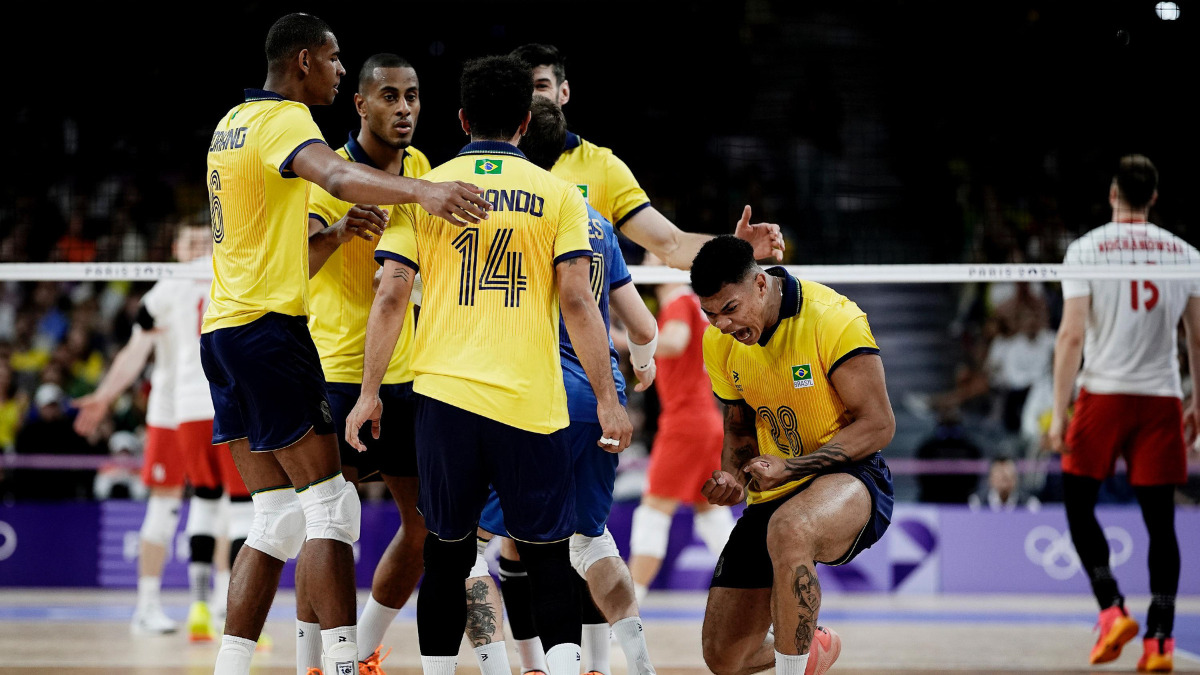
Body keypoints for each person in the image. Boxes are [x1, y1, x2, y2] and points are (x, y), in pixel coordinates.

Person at [200, 13, 490, 675]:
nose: (336, 69)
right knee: (332, 507)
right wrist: (427, 194)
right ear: (305, 61)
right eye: (333, 60)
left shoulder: (229, 123)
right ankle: (338, 663)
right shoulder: (284, 121)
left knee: (277, 518)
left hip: (221, 333)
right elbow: (332, 174)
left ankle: (231, 665)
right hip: (275, 334)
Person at [345, 54, 630, 675]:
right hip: (532, 404)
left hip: (445, 403)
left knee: (445, 555)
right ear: (527, 122)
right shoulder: (560, 197)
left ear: (462, 117)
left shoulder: (427, 189)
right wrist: (609, 399)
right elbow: (580, 302)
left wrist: (369, 392)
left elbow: (391, 294)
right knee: (549, 556)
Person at [469, 97, 660, 675]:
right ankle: (632, 667)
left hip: (532, 398)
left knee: (470, 551)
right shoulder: (596, 220)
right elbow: (642, 326)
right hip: (600, 399)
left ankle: (510, 668)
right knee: (591, 541)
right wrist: (643, 365)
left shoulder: (521, 215)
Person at [691, 235, 895, 675]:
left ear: (761, 285)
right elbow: (740, 426)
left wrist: (794, 467)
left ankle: (791, 669)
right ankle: (809, 647)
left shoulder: (834, 319)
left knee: (790, 528)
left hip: (851, 476)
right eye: (710, 313)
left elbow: (879, 425)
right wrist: (732, 477)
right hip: (774, 486)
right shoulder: (719, 342)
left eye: (730, 309)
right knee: (725, 657)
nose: (722, 324)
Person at [300, 52, 431, 674]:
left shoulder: (426, 170)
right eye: (388, 96)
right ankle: (316, 660)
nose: (402, 108)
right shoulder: (326, 173)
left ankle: (369, 646)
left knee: (426, 527)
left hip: (410, 378)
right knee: (329, 529)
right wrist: (337, 231)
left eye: (410, 97)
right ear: (361, 104)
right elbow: (296, 265)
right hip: (334, 372)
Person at [1048, 154, 1200, 672]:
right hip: (1160, 398)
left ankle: (1111, 609)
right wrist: (1197, 398)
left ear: (1114, 194)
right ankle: (1159, 640)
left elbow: (1070, 336)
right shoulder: (1185, 254)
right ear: (1153, 197)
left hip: (1103, 394)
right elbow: (1196, 338)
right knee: (1161, 523)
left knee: (1076, 502)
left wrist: (1058, 408)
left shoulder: (1086, 249)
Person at [74, 223, 256, 642]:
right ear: (174, 248)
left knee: (223, 507)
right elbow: (136, 351)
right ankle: (148, 605)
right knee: (170, 509)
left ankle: (217, 605)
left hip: (205, 408)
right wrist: (104, 395)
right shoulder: (167, 287)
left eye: (202, 240)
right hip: (169, 413)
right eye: (188, 241)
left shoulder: (217, 274)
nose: (196, 247)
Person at [510, 43, 783, 270]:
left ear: (564, 92)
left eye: (542, 85)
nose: (533, 96)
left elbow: (672, 245)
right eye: (523, 87)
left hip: (574, 330)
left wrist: (738, 247)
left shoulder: (601, 166)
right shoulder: (486, 163)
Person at [628, 252, 733, 604]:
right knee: (712, 517)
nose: (644, 261)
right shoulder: (695, 303)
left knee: (652, 516)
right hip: (707, 422)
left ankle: (623, 615)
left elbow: (673, 342)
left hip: (685, 424)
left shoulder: (678, 302)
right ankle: (758, 596)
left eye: (651, 256)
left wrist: (621, 339)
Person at [966, 455, 1041, 512]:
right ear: (990, 479)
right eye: (999, 473)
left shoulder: (1029, 504)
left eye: (1008, 474)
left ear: (1016, 478)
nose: (1004, 476)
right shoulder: (977, 502)